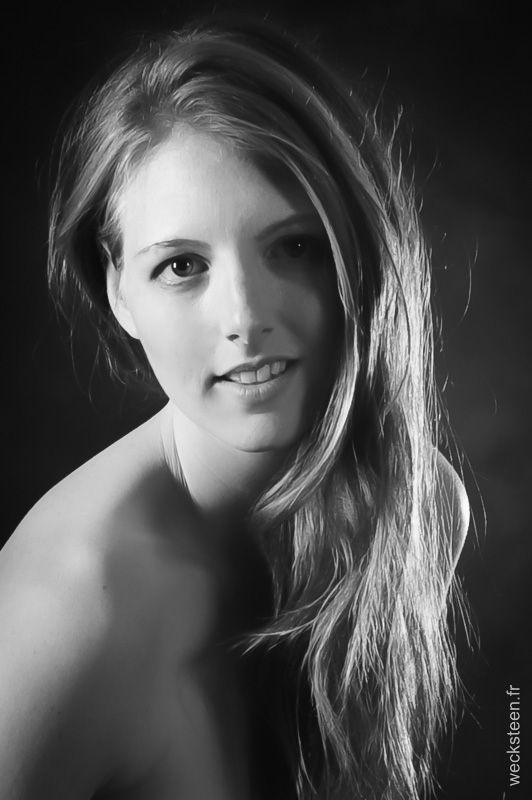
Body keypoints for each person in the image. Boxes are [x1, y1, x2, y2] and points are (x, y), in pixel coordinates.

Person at [0, 14, 469, 800]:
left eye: (295, 246)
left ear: (361, 246)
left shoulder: (420, 508)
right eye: (182, 265)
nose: (245, 317)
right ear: (119, 292)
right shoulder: (61, 616)